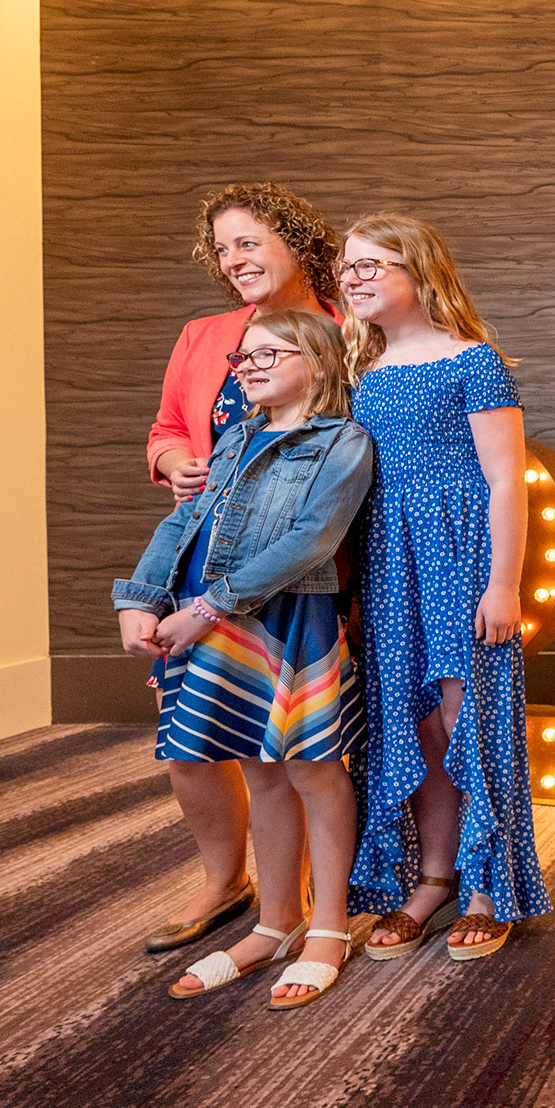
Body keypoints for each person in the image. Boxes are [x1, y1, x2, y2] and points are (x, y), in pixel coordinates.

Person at [114, 310, 373, 1007]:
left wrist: (206, 609)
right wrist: (138, 597)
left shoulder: (342, 441)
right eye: (242, 357)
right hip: (212, 619)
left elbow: (311, 540)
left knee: (313, 770)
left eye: (268, 353)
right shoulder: (233, 438)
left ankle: (328, 926)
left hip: (280, 619)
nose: (248, 365)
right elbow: (182, 520)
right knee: (261, 774)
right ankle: (276, 921)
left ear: (317, 360)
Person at [138, 184, 346, 954]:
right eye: (223, 248)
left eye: (250, 242)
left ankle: (323, 902)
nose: (234, 260)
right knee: (192, 741)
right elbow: (164, 428)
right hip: (202, 561)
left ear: (296, 242)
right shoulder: (203, 336)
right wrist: (175, 458)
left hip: (308, 570)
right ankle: (227, 882)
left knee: (300, 750)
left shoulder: (347, 330)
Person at [342, 212, 548, 961]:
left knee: (470, 719)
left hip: (458, 552)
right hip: (389, 559)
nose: (352, 278)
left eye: (370, 265)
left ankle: (488, 884)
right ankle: (432, 878)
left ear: (422, 272)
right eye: (346, 268)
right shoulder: (362, 374)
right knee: (413, 724)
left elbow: (504, 481)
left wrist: (504, 583)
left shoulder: (474, 361)